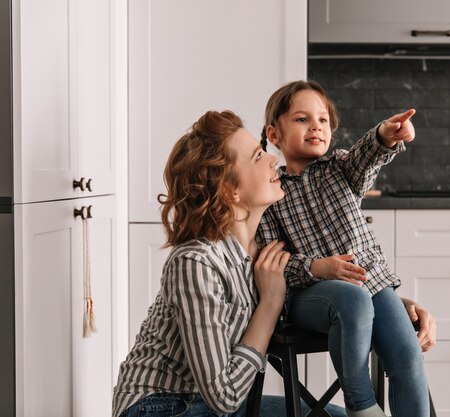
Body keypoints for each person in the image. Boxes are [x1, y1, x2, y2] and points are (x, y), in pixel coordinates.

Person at [112, 110, 347, 417]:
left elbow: (326, 282)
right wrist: (271, 301)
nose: (273, 160)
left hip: (222, 405)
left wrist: (394, 304)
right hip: (159, 405)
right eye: (258, 156)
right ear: (229, 189)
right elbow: (223, 397)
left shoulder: (269, 251)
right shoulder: (196, 262)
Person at [257, 80, 436, 417]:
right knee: (349, 298)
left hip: (372, 283)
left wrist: (386, 132)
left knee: (407, 358)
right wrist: (317, 267)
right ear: (274, 134)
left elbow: (368, 155)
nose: (316, 127)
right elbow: (273, 261)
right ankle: (362, 407)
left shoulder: (341, 168)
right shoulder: (271, 191)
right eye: (302, 119)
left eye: (323, 120)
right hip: (309, 294)